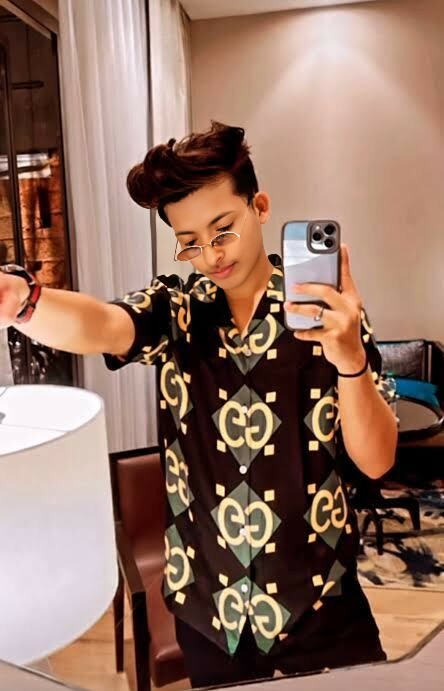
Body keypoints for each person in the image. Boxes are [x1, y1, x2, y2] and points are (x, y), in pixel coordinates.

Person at [0, 122, 397, 687]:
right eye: (190, 241)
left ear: (259, 207)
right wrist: (25, 302)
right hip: (211, 614)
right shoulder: (178, 311)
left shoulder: (331, 317)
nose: (210, 255)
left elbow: (377, 462)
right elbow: (105, 325)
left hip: (321, 604)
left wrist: (350, 357)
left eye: (223, 229)